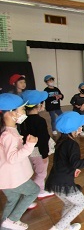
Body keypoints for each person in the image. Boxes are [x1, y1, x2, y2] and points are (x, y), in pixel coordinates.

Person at [45, 111, 84, 230]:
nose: (81, 127)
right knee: (81, 203)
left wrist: (74, 169)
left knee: (69, 203)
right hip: (63, 183)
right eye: (80, 125)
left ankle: (66, 227)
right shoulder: (72, 145)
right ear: (74, 129)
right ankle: (58, 227)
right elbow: (76, 162)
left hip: (54, 180)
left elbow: (64, 162)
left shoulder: (61, 141)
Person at [0, 93, 39, 230]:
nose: (24, 112)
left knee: (13, 200)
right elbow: (12, 158)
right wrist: (29, 146)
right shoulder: (8, 135)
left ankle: (5, 226)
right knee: (34, 191)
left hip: (6, 179)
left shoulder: (9, 130)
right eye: (22, 109)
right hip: (13, 178)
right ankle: (12, 219)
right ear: (11, 113)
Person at [20, 90, 55, 200]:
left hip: (27, 151)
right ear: (38, 105)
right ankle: (33, 193)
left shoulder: (22, 120)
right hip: (38, 152)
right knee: (41, 173)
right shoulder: (40, 121)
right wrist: (44, 155)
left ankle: (41, 189)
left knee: (34, 171)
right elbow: (43, 140)